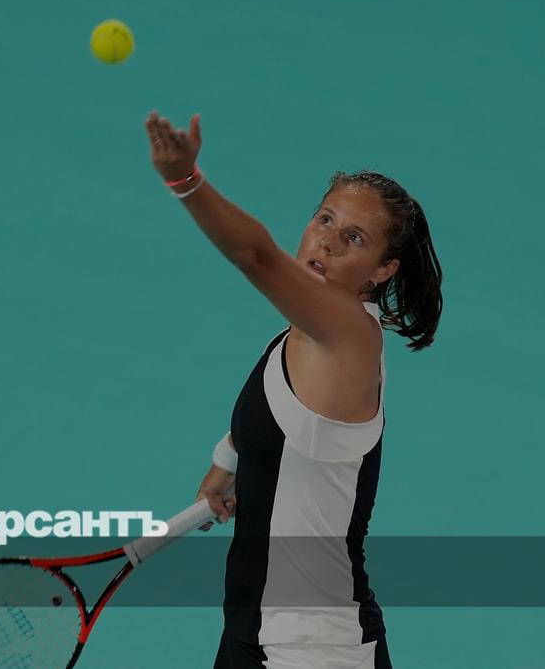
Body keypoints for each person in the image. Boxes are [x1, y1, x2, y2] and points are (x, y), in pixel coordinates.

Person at [145, 111, 443, 669]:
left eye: (353, 238)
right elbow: (277, 410)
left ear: (383, 270)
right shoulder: (304, 331)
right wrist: (229, 459)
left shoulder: (348, 336)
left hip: (314, 652)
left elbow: (256, 257)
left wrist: (184, 180)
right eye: (325, 219)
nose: (326, 242)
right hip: (252, 633)